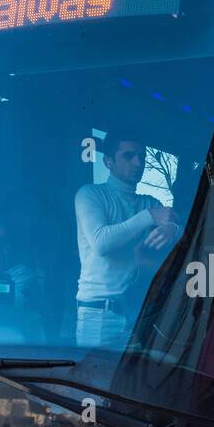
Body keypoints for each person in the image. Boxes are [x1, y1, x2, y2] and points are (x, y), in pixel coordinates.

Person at [73, 130, 180, 347]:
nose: (138, 163)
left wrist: (173, 229)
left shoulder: (149, 201)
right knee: (90, 379)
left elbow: (187, 230)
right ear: (108, 161)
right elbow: (101, 243)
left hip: (136, 314)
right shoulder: (90, 195)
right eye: (129, 156)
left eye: (142, 157)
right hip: (97, 314)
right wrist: (148, 217)